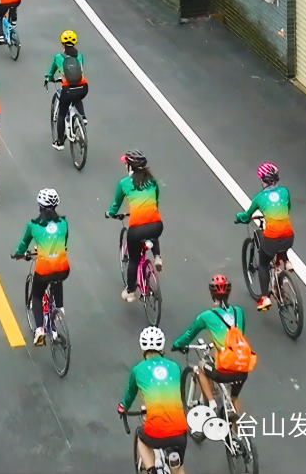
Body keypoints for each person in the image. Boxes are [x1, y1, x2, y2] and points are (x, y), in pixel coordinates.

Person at [172, 275, 255, 427]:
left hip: (224, 370)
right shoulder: (239, 312)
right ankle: (240, 439)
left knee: (201, 367)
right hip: (243, 367)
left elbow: (189, 334)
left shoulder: (207, 316)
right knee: (234, 398)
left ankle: (212, 404)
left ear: (211, 294)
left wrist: (177, 344)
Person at [118, 328, 189, 474]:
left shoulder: (138, 370)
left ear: (143, 348)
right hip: (180, 430)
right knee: (179, 467)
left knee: (140, 435)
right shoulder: (175, 367)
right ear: (162, 347)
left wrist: (123, 407)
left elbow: (129, 396)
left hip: (156, 432)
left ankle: (151, 470)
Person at [12, 189, 69, 344]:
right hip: (63, 268)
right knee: (58, 277)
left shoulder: (33, 226)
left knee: (37, 296)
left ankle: (39, 330)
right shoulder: (63, 223)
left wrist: (19, 254)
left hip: (44, 270)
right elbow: (64, 244)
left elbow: (24, 244)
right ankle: (60, 308)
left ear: (39, 206)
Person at [107, 150, 164, 301]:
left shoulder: (124, 183)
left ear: (130, 166)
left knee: (133, 260)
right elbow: (156, 201)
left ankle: (131, 291)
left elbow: (116, 205)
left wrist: (110, 213)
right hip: (157, 225)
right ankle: (157, 256)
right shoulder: (152, 181)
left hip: (137, 229)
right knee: (151, 231)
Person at [235, 163, 293, 312]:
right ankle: (285, 261)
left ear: (262, 180)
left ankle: (265, 297)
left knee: (263, 263)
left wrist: (239, 218)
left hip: (272, 238)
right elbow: (288, 207)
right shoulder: (285, 192)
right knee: (281, 238)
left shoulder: (259, 198)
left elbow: (246, 216)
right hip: (289, 236)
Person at [44, 30, 87, 149]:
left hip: (68, 89)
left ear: (62, 43)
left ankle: (60, 143)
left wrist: (49, 78)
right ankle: (83, 117)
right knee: (77, 97)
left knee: (62, 114)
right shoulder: (80, 56)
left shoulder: (58, 57)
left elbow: (51, 73)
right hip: (83, 87)